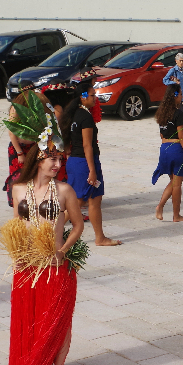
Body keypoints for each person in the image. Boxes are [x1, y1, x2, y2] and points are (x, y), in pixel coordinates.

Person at [0, 90, 87, 365]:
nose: (56, 162)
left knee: (57, 321)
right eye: (51, 156)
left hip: (55, 264)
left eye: (59, 157)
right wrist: (17, 251)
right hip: (27, 265)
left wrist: (63, 251)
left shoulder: (65, 192)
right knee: (31, 320)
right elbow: (17, 224)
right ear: (37, 156)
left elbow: (77, 226)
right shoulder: (18, 189)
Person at [62, 78, 121, 246]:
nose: (95, 98)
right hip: (84, 163)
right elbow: (88, 145)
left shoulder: (74, 114)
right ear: (82, 97)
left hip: (75, 161)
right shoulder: (85, 118)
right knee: (78, 202)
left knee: (94, 199)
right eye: (92, 95)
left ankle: (99, 237)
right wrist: (92, 170)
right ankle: (52, 230)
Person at [153, 84, 183, 221]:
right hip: (176, 149)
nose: (182, 96)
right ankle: (175, 214)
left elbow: (161, 134)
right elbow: (181, 136)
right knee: (177, 185)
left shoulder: (161, 113)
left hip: (164, 149)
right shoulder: (178, 113)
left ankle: (160, 207)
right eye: (181, 94)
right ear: (175, 95)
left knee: (173, 182)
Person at [4, 82, 38, 207]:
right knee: (19, 176)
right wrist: (19, 152)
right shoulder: (15, 108)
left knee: (32, 175)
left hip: (32, 147)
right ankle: (18, 203)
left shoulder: (33, 106)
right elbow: (12, 132)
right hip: (19, 148)